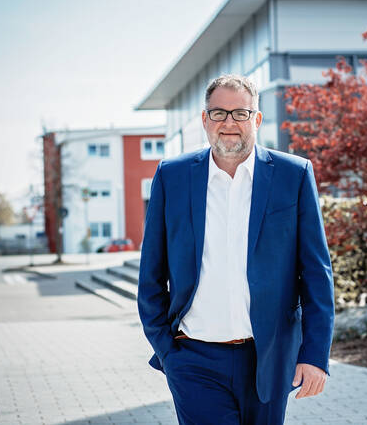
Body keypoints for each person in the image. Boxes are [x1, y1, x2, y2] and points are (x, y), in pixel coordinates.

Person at [137, 74, 334, 425]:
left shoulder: (294, 175)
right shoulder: (172, 176)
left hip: (269, 358)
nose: (229, 123)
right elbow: (151, 272)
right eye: (218, 113)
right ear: (204, 120)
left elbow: (317, 274)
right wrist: (168, 352)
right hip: (193, 358)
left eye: (240, 113)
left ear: (256, 119)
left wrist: (315, 355)